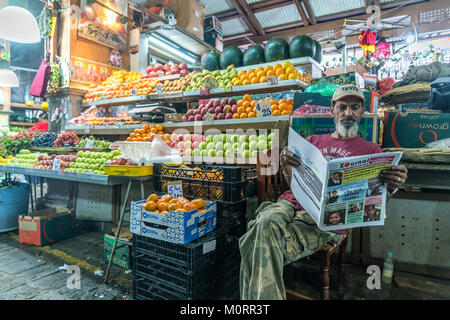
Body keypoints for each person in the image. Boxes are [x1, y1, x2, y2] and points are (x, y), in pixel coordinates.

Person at [239, 84, 408, 300]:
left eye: (354, 107)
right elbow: (293, 184)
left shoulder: (371, 151)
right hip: (289, 204)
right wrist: (286, 167)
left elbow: (377, 200)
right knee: (265, 222)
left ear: (362, 112)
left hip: (324, 219)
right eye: (342, 107)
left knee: (254, 243)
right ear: (332, 110)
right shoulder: (312, 142)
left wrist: (392, 185)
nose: (348, 113)